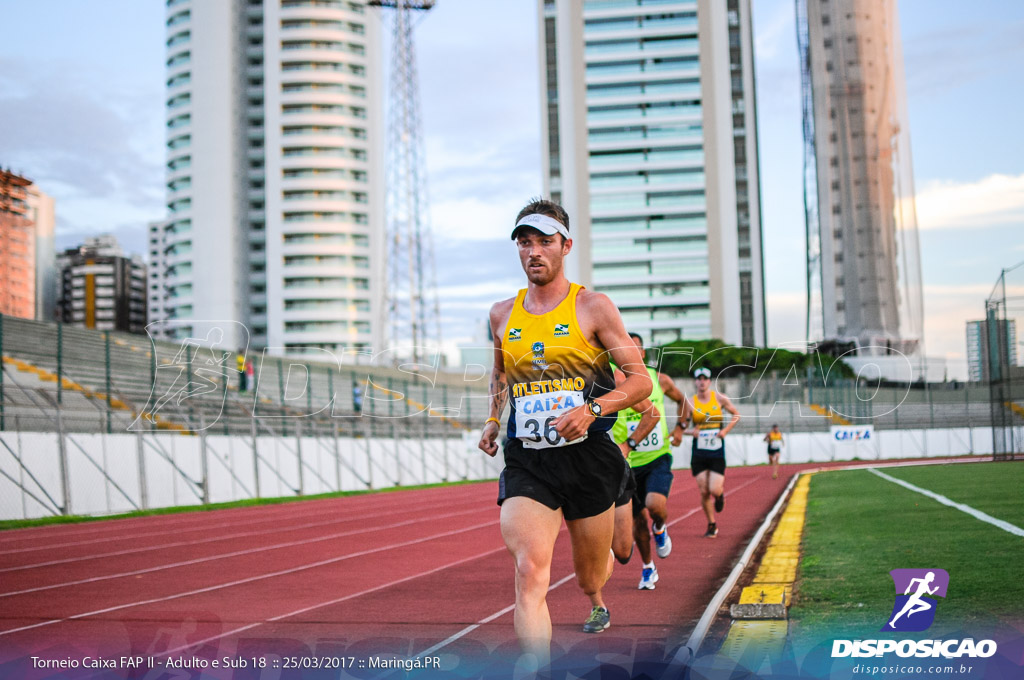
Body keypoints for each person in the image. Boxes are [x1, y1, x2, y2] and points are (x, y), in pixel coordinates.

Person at [478, 199, 652, 668]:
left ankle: (595, 594)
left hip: (589, 457)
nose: (533, 251)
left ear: (566, 246)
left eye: (544, 241)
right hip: (530, 458)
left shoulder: (593, 307)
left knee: (590, 574)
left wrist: (592, 408)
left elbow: (640, 382)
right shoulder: (500, 315)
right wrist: (495, 420)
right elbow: (500, 377)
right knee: (530, 569)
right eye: (524, 242)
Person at [610, 332, 688, 590]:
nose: (630, 353)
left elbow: (683, 402)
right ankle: (647, 567)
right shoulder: (612, 378)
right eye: (625, 348)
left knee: (654, 506)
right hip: (627, 464)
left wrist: (679, 429)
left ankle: (661, 526)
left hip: (656, 457)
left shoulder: (659, 379)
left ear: (642, 353)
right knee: (636, 521)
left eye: (635, 348)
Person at [681, 367, 740, 538]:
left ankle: (720, 496)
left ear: (709, 381)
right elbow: (681, 427)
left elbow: (736, 414)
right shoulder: (690, 403)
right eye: (698, 379)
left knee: (714, 489)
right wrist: (692, 431)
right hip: (699, 451)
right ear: (695, 382)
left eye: (704, 379)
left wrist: (725, 431)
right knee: (704, 491)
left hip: (716, 450)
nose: (701, 381)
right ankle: (711, 524)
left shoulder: (720, 398)